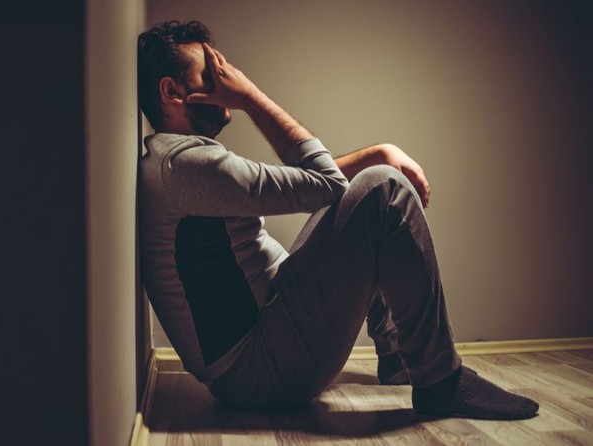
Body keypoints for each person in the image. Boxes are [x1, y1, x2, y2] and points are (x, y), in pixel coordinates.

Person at [137, 20, 539, 420]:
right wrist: (249, 96)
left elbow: (311, 186)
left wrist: (378, 151)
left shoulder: (180, 161)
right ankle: (441, 381)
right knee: (383, 191)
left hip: (268, 335)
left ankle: (398, 357)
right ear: (172, 91)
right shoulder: (186, 165)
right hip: (256, 371)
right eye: (211, 72)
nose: (227, 77)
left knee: (366, 196)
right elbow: (326, 182)